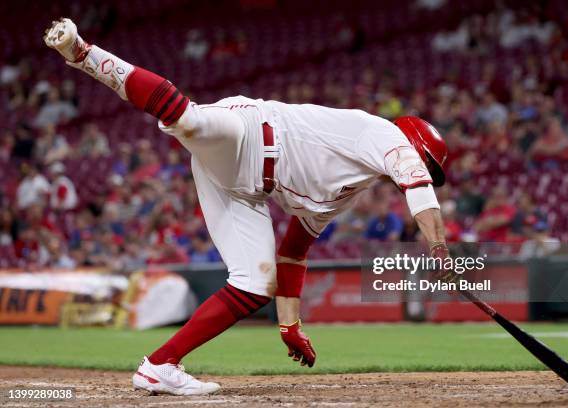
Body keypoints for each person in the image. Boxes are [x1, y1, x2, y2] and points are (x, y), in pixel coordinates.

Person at [45, 18, 452, 395]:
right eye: (428, 166)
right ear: (415, 148)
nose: (425, 173)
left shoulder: (347, 188)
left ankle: (160, 365)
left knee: (255, 284)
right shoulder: (384, 135)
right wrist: (439, 249)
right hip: (251, 134)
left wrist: (289, 325)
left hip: (244, 188)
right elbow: (417, 185)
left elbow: (293, 254)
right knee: (191, 121)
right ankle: (86, 54)